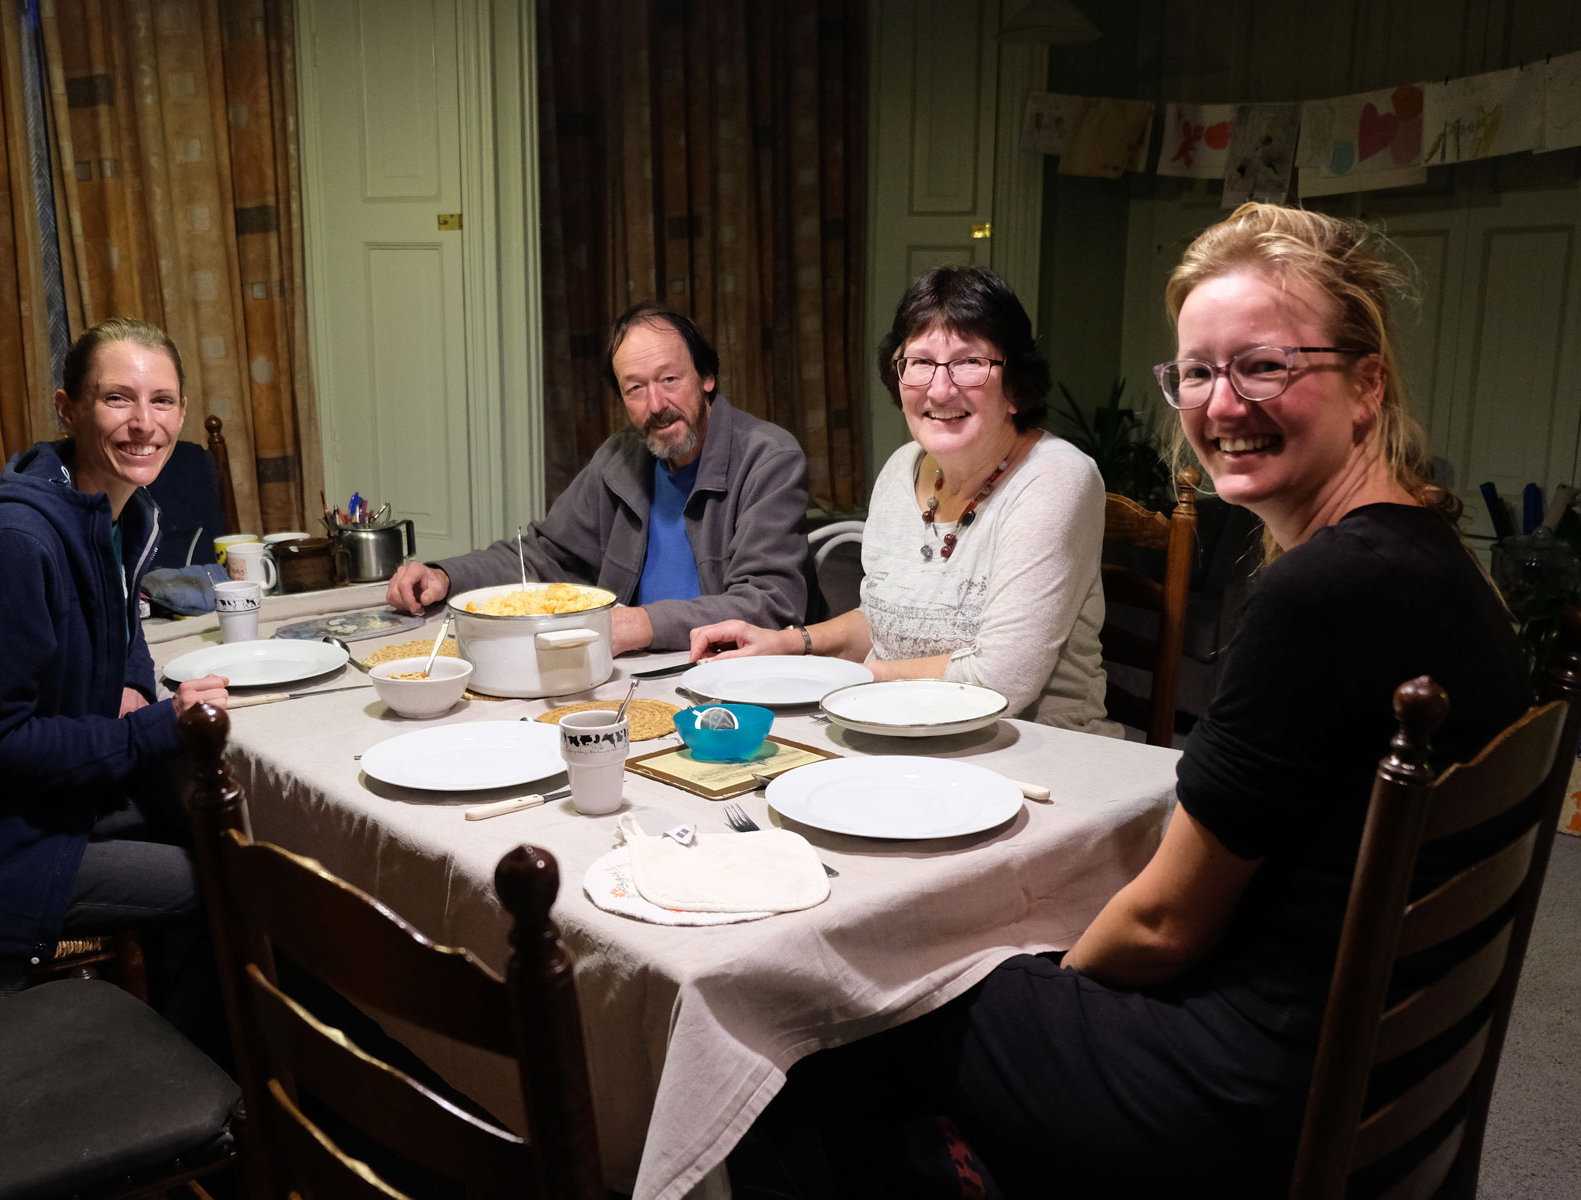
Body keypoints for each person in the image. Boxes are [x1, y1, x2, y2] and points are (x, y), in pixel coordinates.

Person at [737, 205, 1531, 1200]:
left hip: (1250, 1096)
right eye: (1197, 371)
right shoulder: (1436, 562)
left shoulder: (1320, 595)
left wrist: (1051, 1001)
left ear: (1365, 385)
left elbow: (1161, 927)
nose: (1221, 402)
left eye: (1266, 365)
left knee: (843, 1008)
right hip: (1373, 1060)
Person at [0, 317, 229, 1015]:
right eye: (117, 398)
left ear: (181, 413)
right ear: (68, 409)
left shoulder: (115, 512)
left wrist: (127, 681)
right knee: (223, 873)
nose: (143, 423)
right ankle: (186, 1071)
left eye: (161, 401)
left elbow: (127, 624)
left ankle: (178, 1037)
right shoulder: (15, 543)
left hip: (45, 804)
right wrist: (150, 728)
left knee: (214, 821)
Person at [690, 266, 1114, 734]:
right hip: (894, 731)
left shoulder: (1057, 478)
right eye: (921, 362)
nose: (940, 388)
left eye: (970, 362)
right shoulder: (903, 467)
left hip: (1037, 753)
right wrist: (786, 645)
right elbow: (885, 624)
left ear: (1015, 386)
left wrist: (828, 681)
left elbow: (1000, 683)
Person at [386, 302, 809, 654]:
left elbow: (771, 602)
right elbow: (544, 555)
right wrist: (445, 575)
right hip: (628, 671)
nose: (656, 404)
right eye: (635, 389)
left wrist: (639, 623)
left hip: (728, 675)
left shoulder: (769, 458)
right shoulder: (621, 456)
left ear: (707, 377)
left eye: (669, 379)